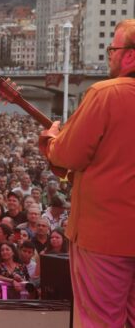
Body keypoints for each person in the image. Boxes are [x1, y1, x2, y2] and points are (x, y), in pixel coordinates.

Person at [39, 19, 135, 327]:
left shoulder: (107, 94)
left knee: (100, 319)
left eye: (113, 49)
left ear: (130, 56)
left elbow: (68, 155)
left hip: (105, 236)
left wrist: (51, 140)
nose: (110, 55)